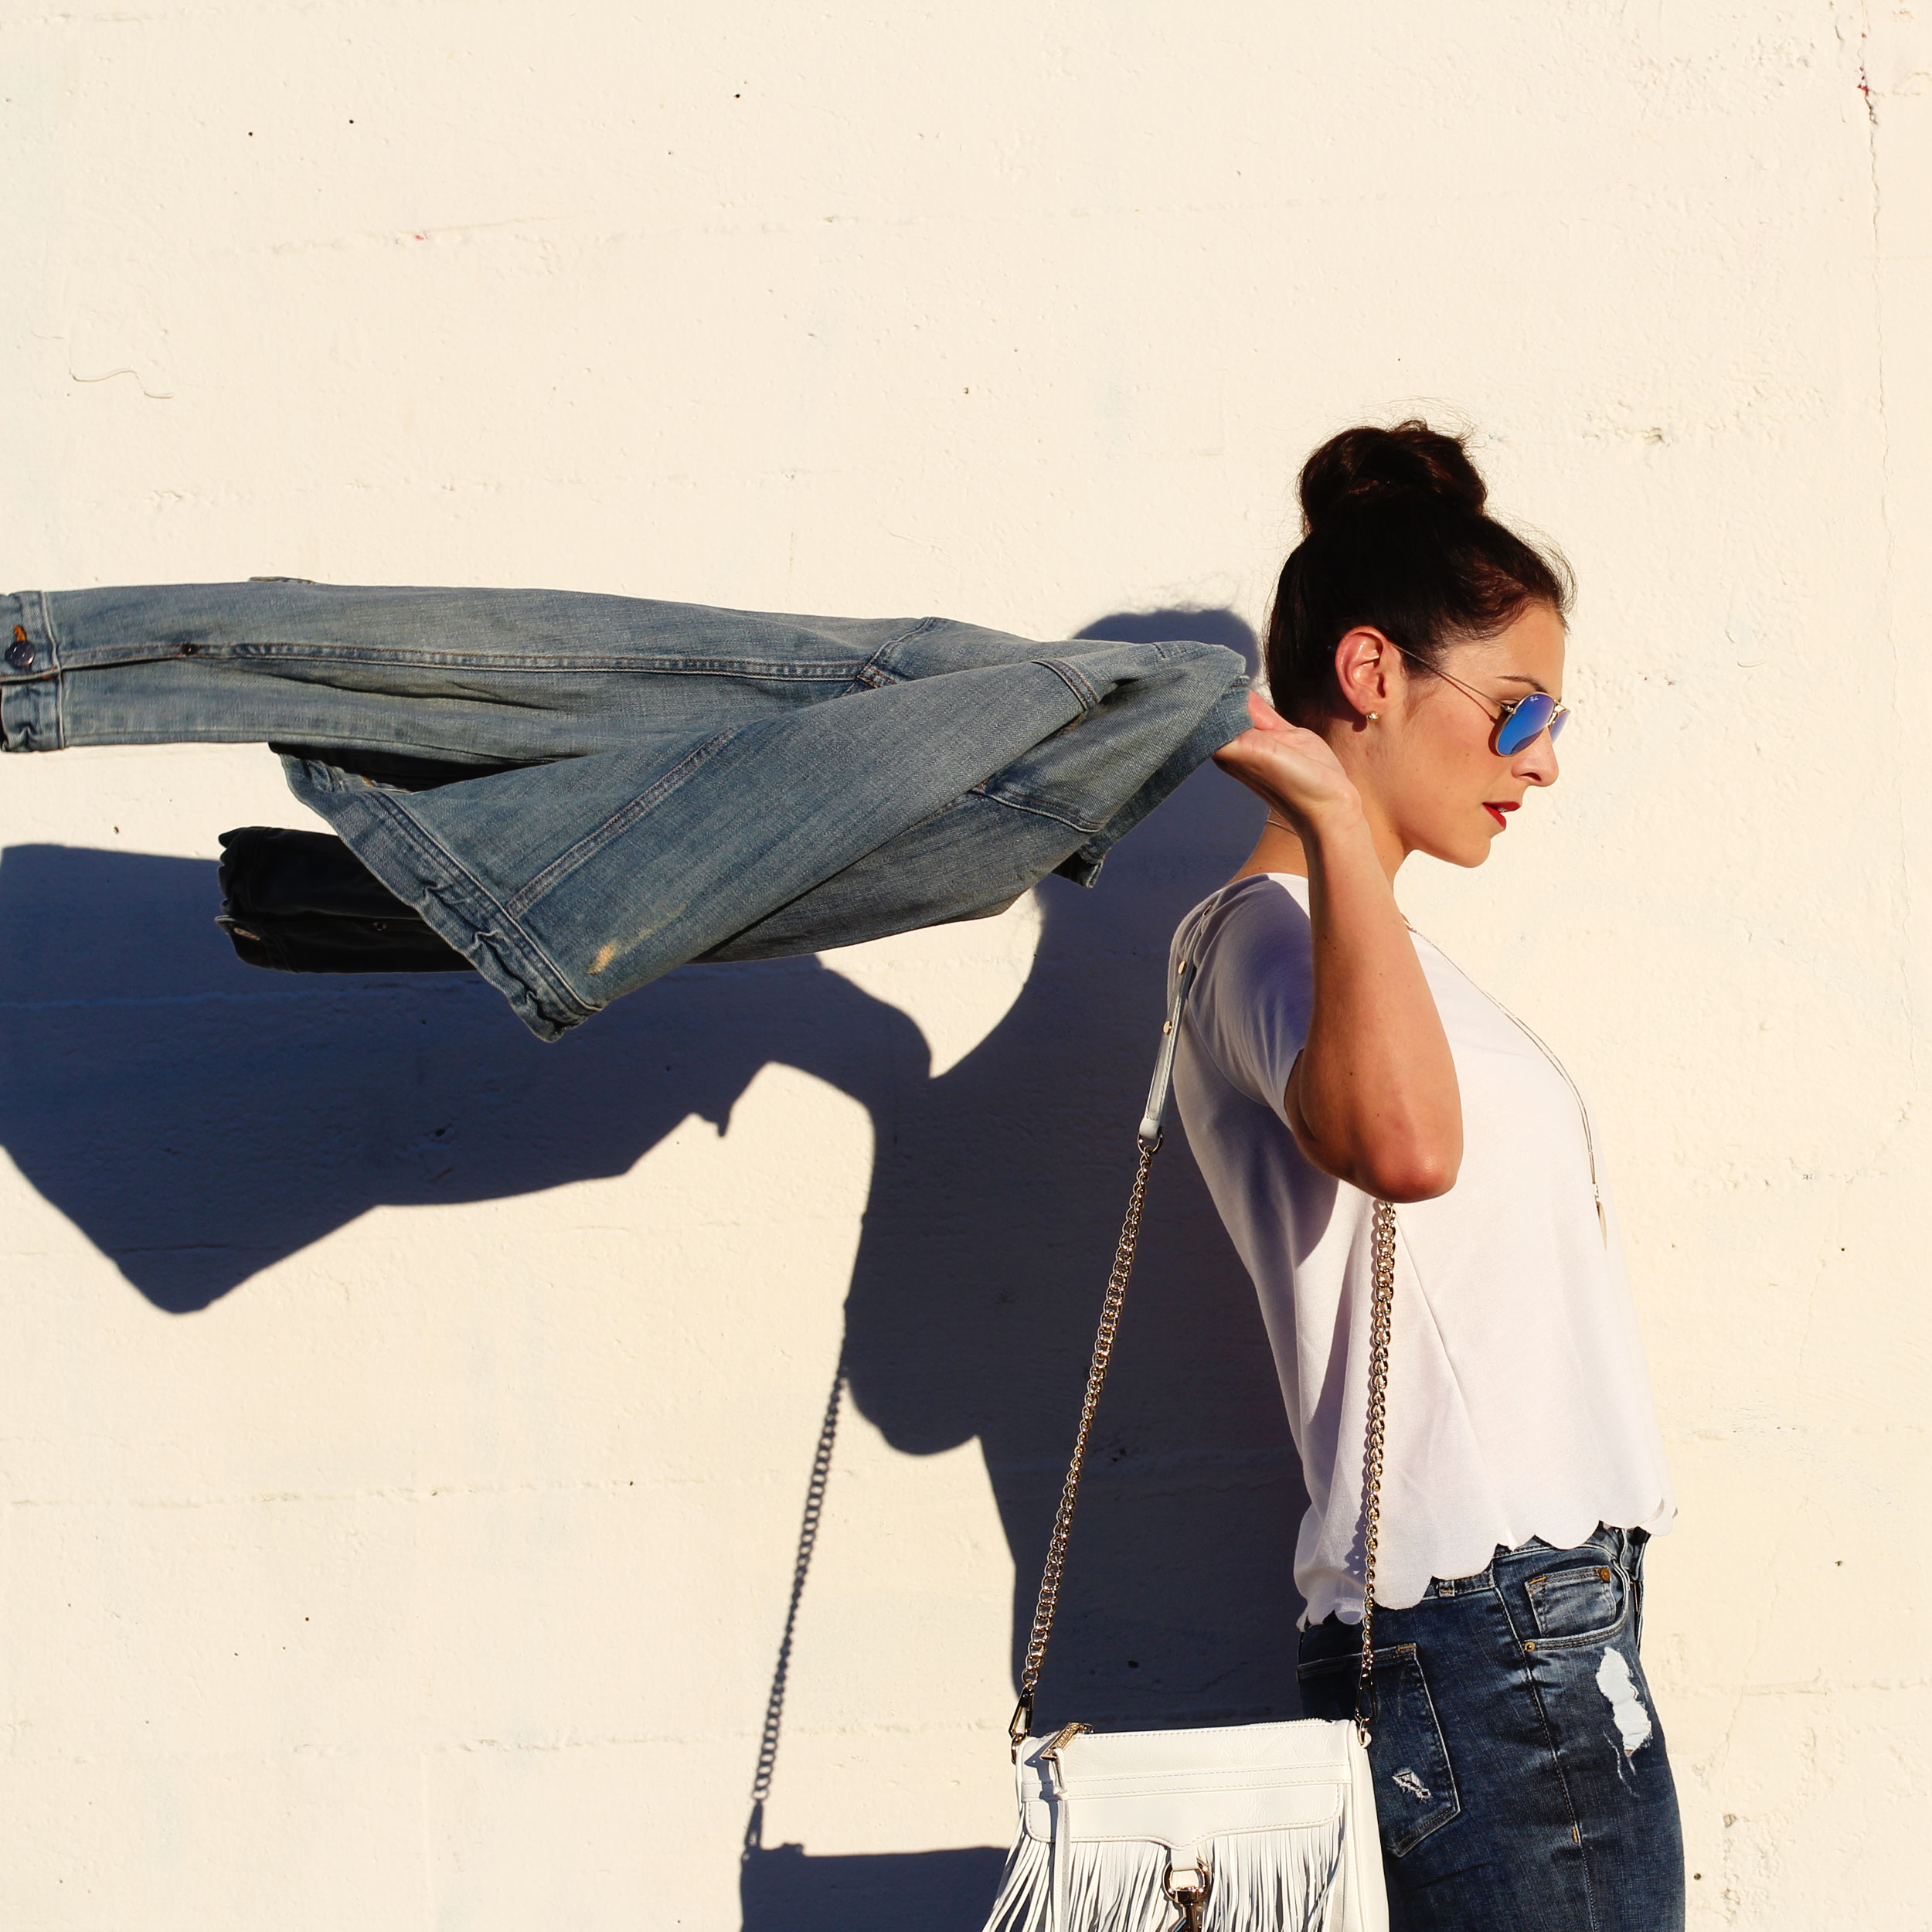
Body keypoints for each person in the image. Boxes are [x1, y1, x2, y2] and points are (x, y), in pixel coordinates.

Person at [1171, 423, 1681, 1930]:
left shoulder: (1372, 947)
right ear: (1371, 672)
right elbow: (1402, 1149)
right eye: (1514, 711)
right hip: (1484, 1633)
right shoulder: (1260, 936)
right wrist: (1329, 811)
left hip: (1540, 1625)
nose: (1540, 759)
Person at [0, 583, 1249, 1038]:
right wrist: (46, 664)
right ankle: (36, 659)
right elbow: (530, 664)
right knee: (467, 668)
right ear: (1368, 669)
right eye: (1463, 713)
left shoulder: (1032, 806)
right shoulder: (1142, 697)